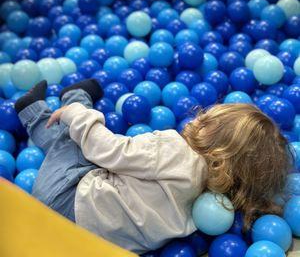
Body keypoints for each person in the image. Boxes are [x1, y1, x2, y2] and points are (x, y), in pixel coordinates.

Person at [15, 80, 291, 255]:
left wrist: (79, 114)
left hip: (63, 198)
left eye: (206, 119)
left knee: (75, 140)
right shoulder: (214, 206)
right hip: (87, 244)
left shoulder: (175, 149)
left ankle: (59, 101)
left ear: (210, 131)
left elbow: (106, 149)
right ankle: (60, 102)